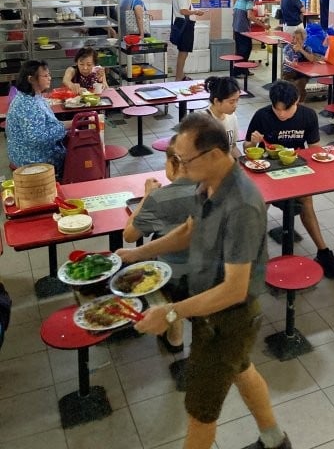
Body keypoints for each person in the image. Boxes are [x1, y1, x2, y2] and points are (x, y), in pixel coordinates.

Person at [117, 113, 291, 449]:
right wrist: (136, 254)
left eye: (184, 160)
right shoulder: (207, 184)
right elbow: (187, 232)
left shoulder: (241, 205)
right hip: (210, 306)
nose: (178, 169)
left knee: (200, 411)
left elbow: (234, 289)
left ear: (213, 154)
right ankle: (275, 441)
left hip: (229, 318)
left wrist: (170, 313)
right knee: (242, 369)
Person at [244, 80, 334, 278]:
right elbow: (248, 150)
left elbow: (315, 149)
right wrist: (253, 142)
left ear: (297, 101)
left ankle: (324, 253)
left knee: (307, 202)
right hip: (267, 169)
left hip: (296, 167)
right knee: (260, 204)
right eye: (277, 109)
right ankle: (250, 255)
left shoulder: (307, 115)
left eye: (287, 109)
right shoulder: (262, 116)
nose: (281, 114)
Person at [123, 135, 195, 353]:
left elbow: (129, 235)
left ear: (173, 163)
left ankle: (175, 333)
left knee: (138, 259)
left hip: (174, 275)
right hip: (210, 269)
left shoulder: (160, 198)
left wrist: (147, 196)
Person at [5, 60, 69, 175]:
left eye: (49, 74)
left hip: (29, 151)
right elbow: (37, 139)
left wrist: (69, 124)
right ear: (31, 79)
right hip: (30, 158)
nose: (49, 78)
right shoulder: (27, 105)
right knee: (78, 156)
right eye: (45, 75)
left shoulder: (33, 96)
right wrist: (64, 127)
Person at [171, 0, 205, 81]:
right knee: (183, 52)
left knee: (183, 52)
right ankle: (179, 77)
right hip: (185, 24)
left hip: (183, 23)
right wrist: (196, 12)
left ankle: (181, 75)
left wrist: (194, 11)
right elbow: (183, 10)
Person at [204, 75, 241, 156]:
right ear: (217, 101)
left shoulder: (232, 117)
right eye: (231, 102)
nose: (235, 105)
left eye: (237, 100)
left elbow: (233, 147)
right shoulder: (202, 122)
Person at [281, 28, 319, 103]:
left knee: (299, 84)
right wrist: (290, 63)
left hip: (302, 74)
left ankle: (298, 103)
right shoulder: (288, 47)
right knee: (291, 85)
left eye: (298, 39)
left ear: (303, 40)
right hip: (289, 72)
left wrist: (301, 50)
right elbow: (285, 59)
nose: (295, 40)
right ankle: (294, 102)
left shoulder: (307, 48)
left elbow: (311, 59)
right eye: (294, 37)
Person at [232, 0, 258, 69]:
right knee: (246, 49)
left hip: (236, 26)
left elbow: (234, 12)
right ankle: (241, 70)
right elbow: (250, 15)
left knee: (239, 49)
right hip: (243, 28)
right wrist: (263, 25)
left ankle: (240, 70)